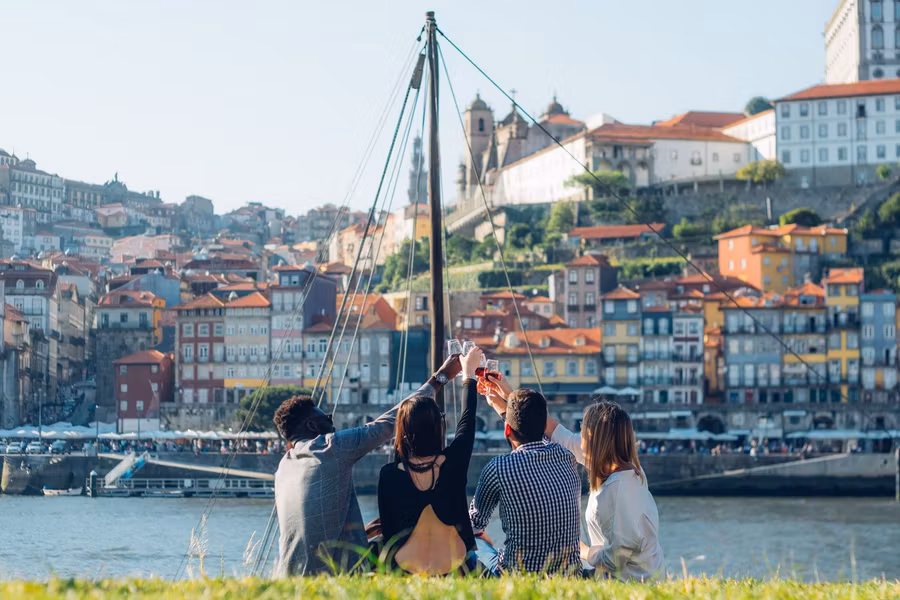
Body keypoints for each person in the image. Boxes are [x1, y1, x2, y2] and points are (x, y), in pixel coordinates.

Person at [272, 354, 463, 577]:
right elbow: (391, 421)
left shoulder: (283, 467)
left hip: (289, 576)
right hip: (336, 576)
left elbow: (314, 526)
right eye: (326, 416)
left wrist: (363, 532)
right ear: (313, 425)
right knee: (407, 547)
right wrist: (440, 378)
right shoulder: (330, 447)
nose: (332, 419)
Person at [521, 382, 664, 581]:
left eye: (582, 430)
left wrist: (582, 550)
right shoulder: (625, 469)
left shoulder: (621, 489)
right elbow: (556, 433)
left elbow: (617, 558)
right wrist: (510, 400)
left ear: (594, 439)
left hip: (629, 586)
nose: (579, 435)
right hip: (617, 579)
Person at [377, 346, 484, 575]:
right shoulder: (454, 461)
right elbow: (467, 419)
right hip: (457, 565)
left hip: (406, 567)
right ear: (438, 427)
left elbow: (389, 532)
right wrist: (468, 375)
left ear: (402, 430)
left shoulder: (388, 474)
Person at [469, 385, 582, 575]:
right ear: (544, 426)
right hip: (569, 576)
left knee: (473, 544)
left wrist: (479, 534)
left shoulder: (499, 467)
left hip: (518, 576)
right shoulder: (567, 456)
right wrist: (501, 404)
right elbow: (536, 435)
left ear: (507, 430)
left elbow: (472, 525)